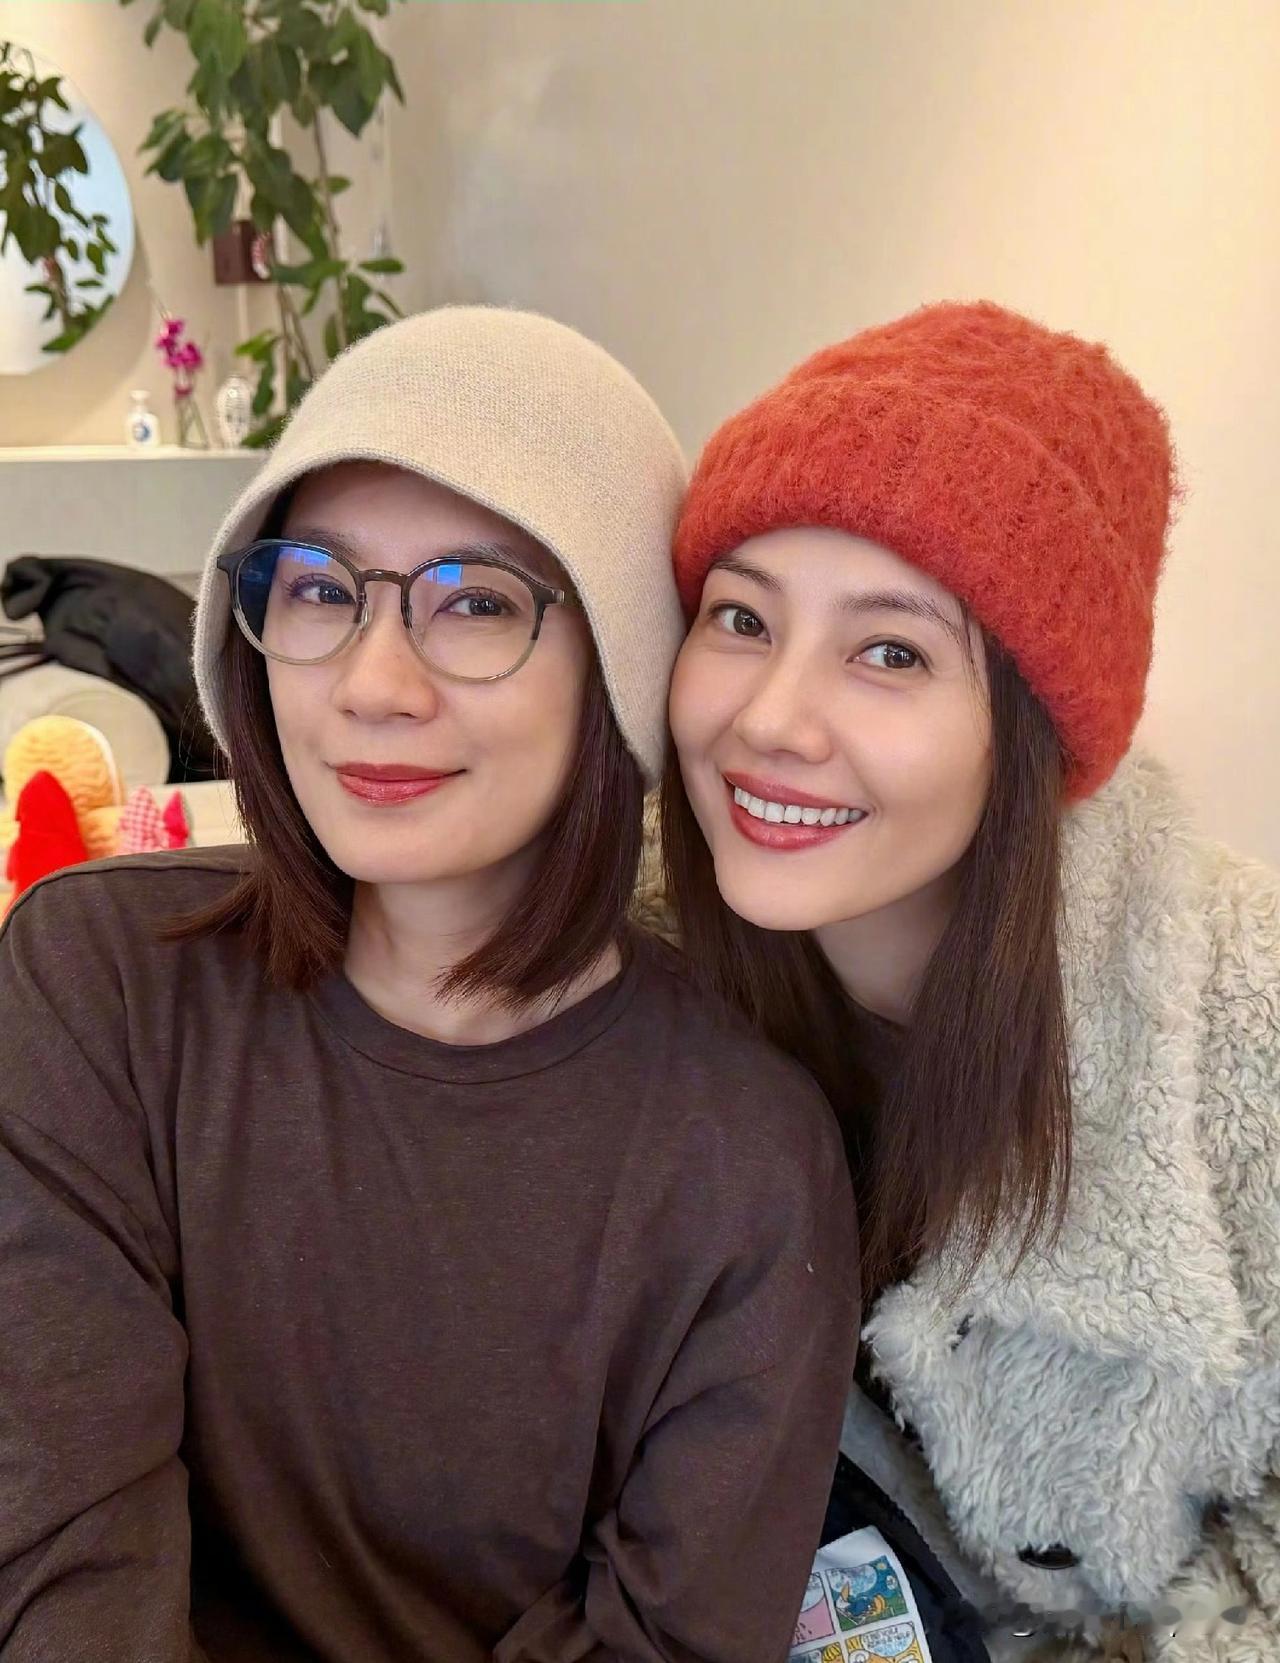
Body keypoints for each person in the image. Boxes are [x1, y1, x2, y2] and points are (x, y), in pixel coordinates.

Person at [0, 307, 860, 1663]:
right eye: (320, 588)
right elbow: (60, 1561)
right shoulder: (100, 984)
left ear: (620, 668)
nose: (373, 684)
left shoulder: (745, 1163)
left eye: (476, 602)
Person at [659, 301, 1280, 1661]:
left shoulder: (1241, 1015)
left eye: (890, 651)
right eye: (741, 618)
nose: (770, 719)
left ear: (1034, 735)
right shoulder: (640, 966)